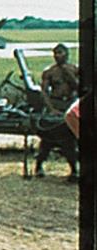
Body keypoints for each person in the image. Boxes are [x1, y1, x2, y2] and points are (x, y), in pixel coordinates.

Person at [35, 43, 79, 180]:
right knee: (48, 137)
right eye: (55, 53)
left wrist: (68, 73)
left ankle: (74, 170)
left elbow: (78, 87)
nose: (57, 56)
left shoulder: (74, 69)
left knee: (69, 139)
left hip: (70, 104)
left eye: (60, 53)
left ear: (67, 54)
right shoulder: (49, 72)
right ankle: (39, 165)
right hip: (55, 104)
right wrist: (51, 109)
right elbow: (44, 93)